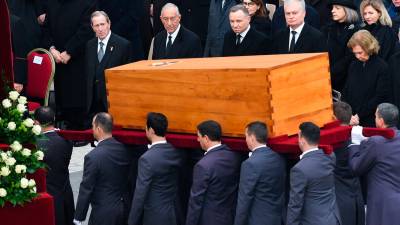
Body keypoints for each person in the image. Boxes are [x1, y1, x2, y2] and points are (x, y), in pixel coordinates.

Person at [41, 0, 96, 130]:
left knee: (78, 94)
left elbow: (86, 30)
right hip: (58, 57)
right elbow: (45, 29)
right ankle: (64, 124)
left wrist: (70, 51)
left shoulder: (87, 3)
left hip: (79, 58)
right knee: (62, 94)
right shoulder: (51, 3)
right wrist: (52, 49)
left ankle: (79, 128)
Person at [74, 113, 134, 225]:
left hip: (103, 213)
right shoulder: (125, 150)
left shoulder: (93, 157)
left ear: (98, 129)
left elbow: (86, 188)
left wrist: (79, 217)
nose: (91, 129)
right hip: (124, 208)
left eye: (92, 126)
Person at [349, 103, 400, 225]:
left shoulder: (376, 142)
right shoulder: (376, 141)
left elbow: (355, 167)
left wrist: (354, 143)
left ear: (381, 121)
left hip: (382, 204)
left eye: (376, 116)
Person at [128, 112, 183, 225]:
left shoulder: (146, 159)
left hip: (155, 216)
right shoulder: (176, 152)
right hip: (174, 213)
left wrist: (132, 221)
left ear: (151, 130)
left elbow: (140, 194)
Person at [186, 120, 243, 225]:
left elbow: (196, 202)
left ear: (206, 138)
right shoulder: (235, 158)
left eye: (199, 136)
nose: (197, 140)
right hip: (229, 218)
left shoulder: (202, 165)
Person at [286, 122, 341, 225]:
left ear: (302, 140)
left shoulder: (299, 170)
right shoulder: (330, 158)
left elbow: (295, 205)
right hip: (332, 220)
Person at [234, 121, 286, 225]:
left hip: (256, 220)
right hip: (276, 219)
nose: (246, 140)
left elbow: (244, 198)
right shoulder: (279, 159)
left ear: (252, 137)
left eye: (246, 136)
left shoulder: (249, 164)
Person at [86, 11, 132, 116]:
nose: (100, 29)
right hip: (93, 105)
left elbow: (126, 78)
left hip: (113, 103)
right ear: (92, 27)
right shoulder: (90, 45)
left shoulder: (123, 45)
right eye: (96, 25)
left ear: (109, 23)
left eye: (102, 24)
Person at [35, 106, 75, 225]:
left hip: (49, 195)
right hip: (66, 193)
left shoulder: (36, 144)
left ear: (36, 122)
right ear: (54, 119)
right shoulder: (67, 140)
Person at [343, 30, 390, 127]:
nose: (357, 56)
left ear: (369, 48)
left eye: (360, 52)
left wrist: (359, 115)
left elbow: (379, 96)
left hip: (370, 120)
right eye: (355, 53)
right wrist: (348, 114)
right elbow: (347, 90)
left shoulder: (382, 67)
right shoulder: (353, 65)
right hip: (351, 118)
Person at [332, 102, 365, 225]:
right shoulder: (359, 138)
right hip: (358, 199)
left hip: (341, 202)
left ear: (334, 118)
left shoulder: (333, 142)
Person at [323, 0, 360, 92]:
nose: (332, 10)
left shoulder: (355, 30)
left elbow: (350, 57)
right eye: (332, 8)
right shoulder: (327, 29)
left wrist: (331, 71)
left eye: (337, 8)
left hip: (346, 81)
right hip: (326, 78)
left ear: (347, 10)